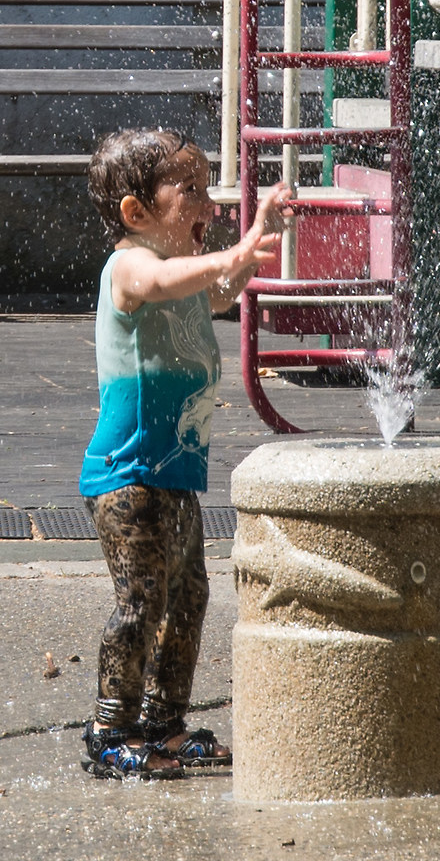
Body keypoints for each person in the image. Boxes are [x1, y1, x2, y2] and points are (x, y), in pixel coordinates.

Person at [79, 127, 291, 779]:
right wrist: (236, 249)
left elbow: (216, 291)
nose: (208, 202)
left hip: (173, 474)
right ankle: (109, 728)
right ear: (136, 212)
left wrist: (252, 245)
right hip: (127, 477)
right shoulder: (130, 266)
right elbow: (166, 279)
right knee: (141, 602)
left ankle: (163, 723)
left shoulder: (178, 272)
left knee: (189, 595)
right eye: (190, 189)